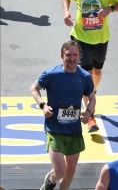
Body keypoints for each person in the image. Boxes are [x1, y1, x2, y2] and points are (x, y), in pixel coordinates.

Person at [62, 0, 118, 133]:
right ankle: (90, 114)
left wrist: (110, 9)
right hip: (81, 38)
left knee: (97, 72)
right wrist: (66, 12)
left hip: (101, 38)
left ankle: (91, 94)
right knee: (87, 75)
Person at [30, 40, 96, 190]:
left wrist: (88, 113)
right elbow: (34, 88)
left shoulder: (85, 77)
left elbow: (92, 98)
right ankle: (50, 180)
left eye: (75, 55)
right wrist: (43, 105)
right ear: (62, 55)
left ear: (79, 56)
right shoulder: (51, 74)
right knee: (60, 171)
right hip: (54, 129)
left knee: (71, 170)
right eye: (68, 55)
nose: (72, 58)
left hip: (74, 130)